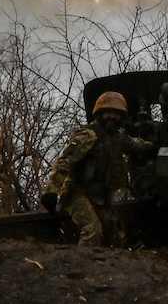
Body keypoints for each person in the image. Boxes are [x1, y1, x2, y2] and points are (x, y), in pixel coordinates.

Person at [41, 91, 154, 246]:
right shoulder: (88, 136)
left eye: (117, 114)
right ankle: (83, 267)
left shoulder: (118, 138)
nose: (112, 117)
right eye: (108, 112)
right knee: (92, 230)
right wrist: (51, 191)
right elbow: (65, 163)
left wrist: (155, 145)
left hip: (100, 196)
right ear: (99, 114)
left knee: (115, 235)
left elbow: (137, 145)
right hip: (77, 194)